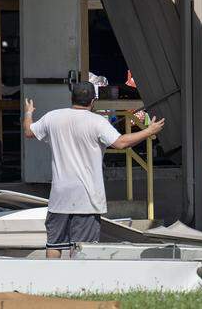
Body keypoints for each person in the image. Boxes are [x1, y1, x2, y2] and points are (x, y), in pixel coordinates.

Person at [22, 81, 166, 258]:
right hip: (87, 198)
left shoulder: (53, 117)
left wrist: (28, 112)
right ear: (92, 101)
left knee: (54, 244)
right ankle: (79, 284)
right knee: (82, 249)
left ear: (71, 98)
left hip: (59, 197)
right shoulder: (97, 122)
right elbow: (121, 143)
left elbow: (29, 131)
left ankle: (53, 283)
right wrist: (148, 130)